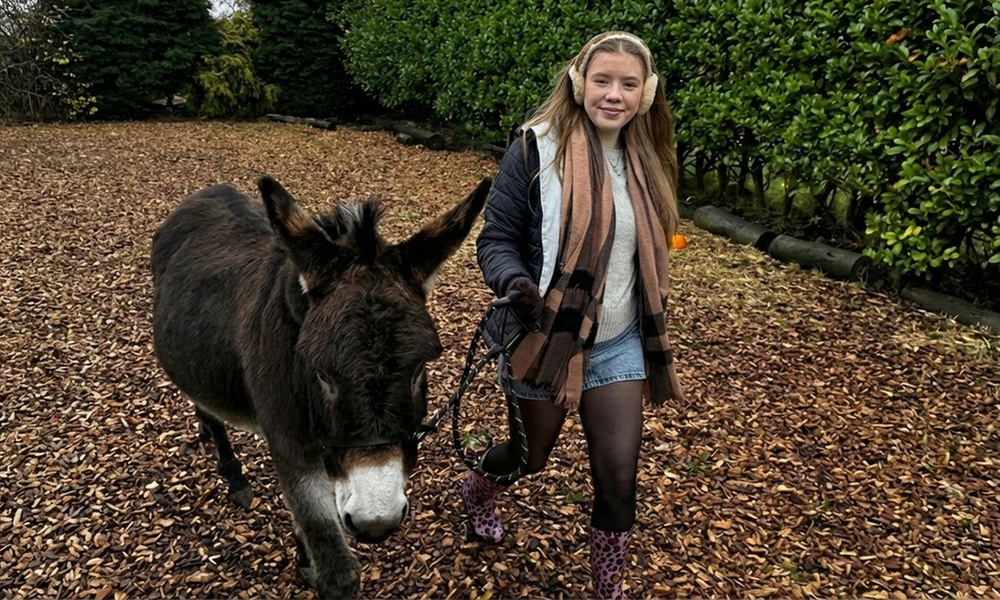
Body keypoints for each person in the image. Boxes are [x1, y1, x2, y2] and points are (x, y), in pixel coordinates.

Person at [464, 31, 685, 600]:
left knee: (618, 482)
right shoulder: (537, 148)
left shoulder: (648, 158)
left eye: (628, 84)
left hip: (620, 343)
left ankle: (606, 589)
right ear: (578, 82)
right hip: (547, 336)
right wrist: (513, 281)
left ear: (647, 91)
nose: (614, 94)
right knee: (529, 458)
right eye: (602, 80)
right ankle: (481, 488)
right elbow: (497, 238)